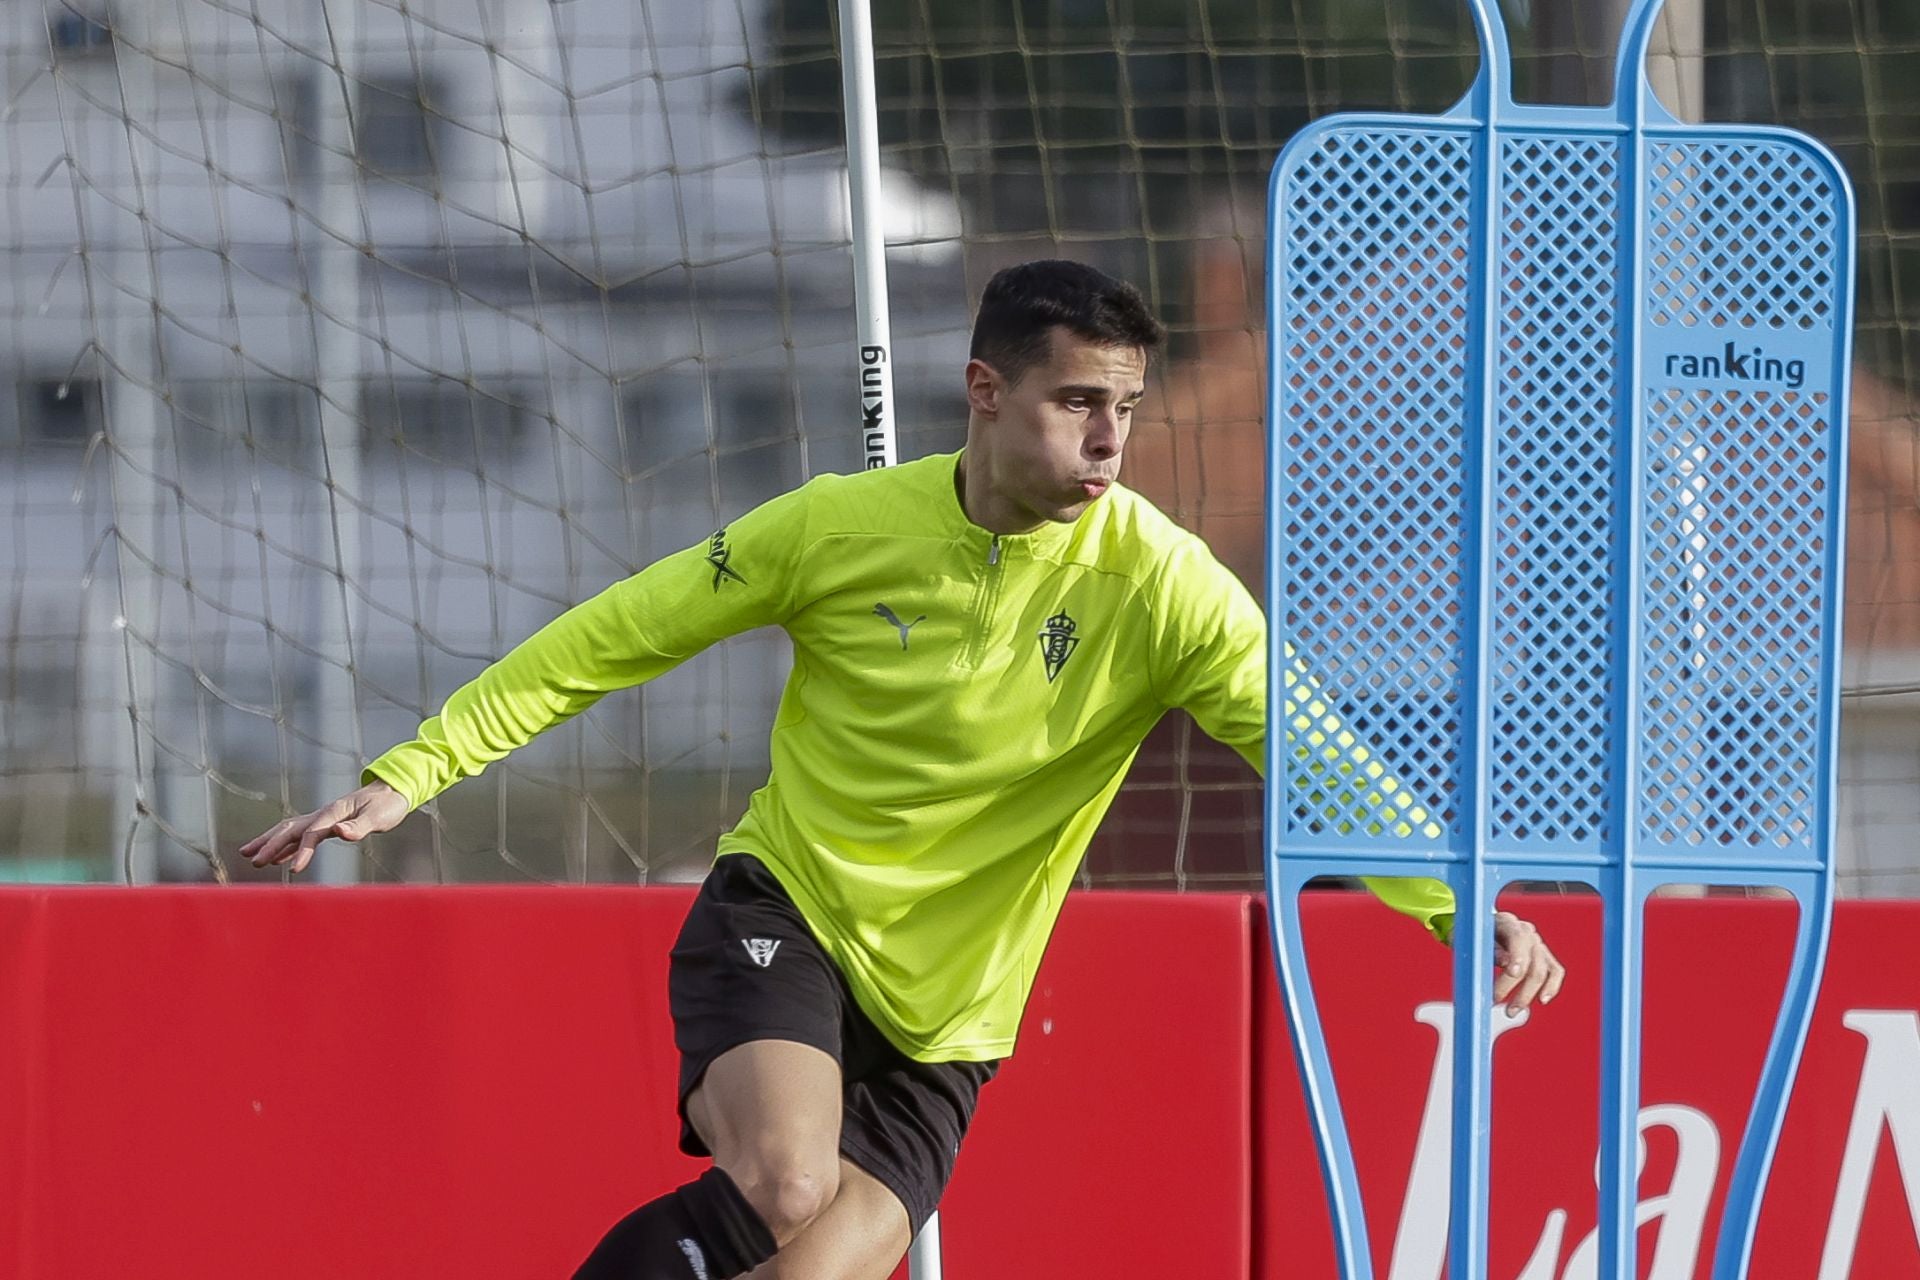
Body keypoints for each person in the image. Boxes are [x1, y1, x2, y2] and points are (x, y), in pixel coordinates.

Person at [240, 260, 1565, 1280]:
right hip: (793, 914)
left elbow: (1314, 750)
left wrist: (1458, 904)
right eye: (1078, 403)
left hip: (956, 1020)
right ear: (987, 393)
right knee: (786, 1184)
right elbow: (616, 637)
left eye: (1128, 409)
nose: (1110, 441)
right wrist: (416, 770)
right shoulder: (837, 528)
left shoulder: (1164, 587)